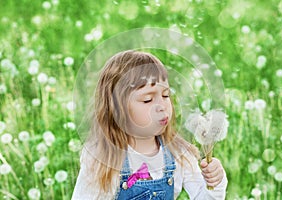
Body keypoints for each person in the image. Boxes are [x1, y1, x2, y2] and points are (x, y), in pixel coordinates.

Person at [72, 50, 227, 199]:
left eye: (166, 95)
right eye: (147, 99)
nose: (162, 105)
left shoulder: (178, 152)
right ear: (118, 110)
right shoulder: (103, 158)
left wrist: (215, 182)